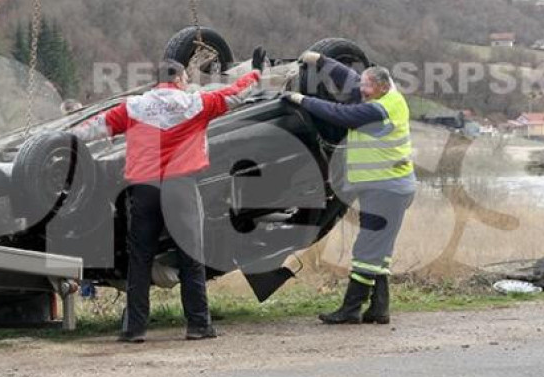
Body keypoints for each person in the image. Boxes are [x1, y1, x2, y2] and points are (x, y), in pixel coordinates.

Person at [71, 52, 265, 342]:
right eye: (186, 78)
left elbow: (95, 128)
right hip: (180, 186)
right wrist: (257, 73)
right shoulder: (194, 102)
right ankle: (198, 324)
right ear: (177, 79)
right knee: (191, 255)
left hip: (143, 188)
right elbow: (236, 95)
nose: (188, 83)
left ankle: (134, 329)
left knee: (140, 258)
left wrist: (61, 141)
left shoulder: (135, 106)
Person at [283, 56, 416, 325]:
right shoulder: (384, 94)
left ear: (381, 87)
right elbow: (350, 79)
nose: (361, 91)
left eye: (367, 88)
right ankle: (379, 309)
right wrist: (321, 60)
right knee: (379, 251)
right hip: (386, 188)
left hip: (386, 190)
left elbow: (338, 114)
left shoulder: (378, 110)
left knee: (367, 251)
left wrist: (301, 100)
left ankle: (350, 309)